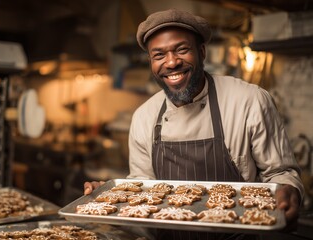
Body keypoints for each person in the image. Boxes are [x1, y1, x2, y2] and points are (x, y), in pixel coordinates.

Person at [84, 8, 304, 239]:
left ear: (201, 51)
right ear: (151, 62)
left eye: (182, 50)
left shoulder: (249, 101)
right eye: (159, 55)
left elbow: (281, 173)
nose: (171, 62)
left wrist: (288, 191)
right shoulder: (144, 116)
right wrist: (112, 194)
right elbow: (143, 188)